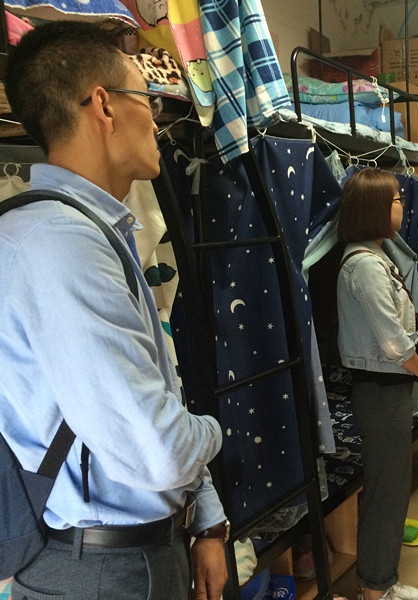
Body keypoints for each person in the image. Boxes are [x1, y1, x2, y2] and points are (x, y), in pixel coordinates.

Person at [0, 22, 228, 600]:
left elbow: (152, 395)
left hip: (118, 554)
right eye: (147, 98)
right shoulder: (62, 245)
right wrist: (215, 432)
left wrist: (205, 517)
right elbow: (160, 450)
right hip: (102, 571)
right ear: (103, 106)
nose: (156, 119)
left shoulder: (82, 231)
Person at [336, 168, 418, 600]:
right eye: (397, 199)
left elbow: (406, 322)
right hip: (379, 389)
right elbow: (391, 342)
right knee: (387, 490)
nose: (403, 206)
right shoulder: (365, 265)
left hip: (389, 388)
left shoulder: (379, 256)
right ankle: (375, 586)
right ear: (374, 208)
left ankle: (379, 579)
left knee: (392, 486)